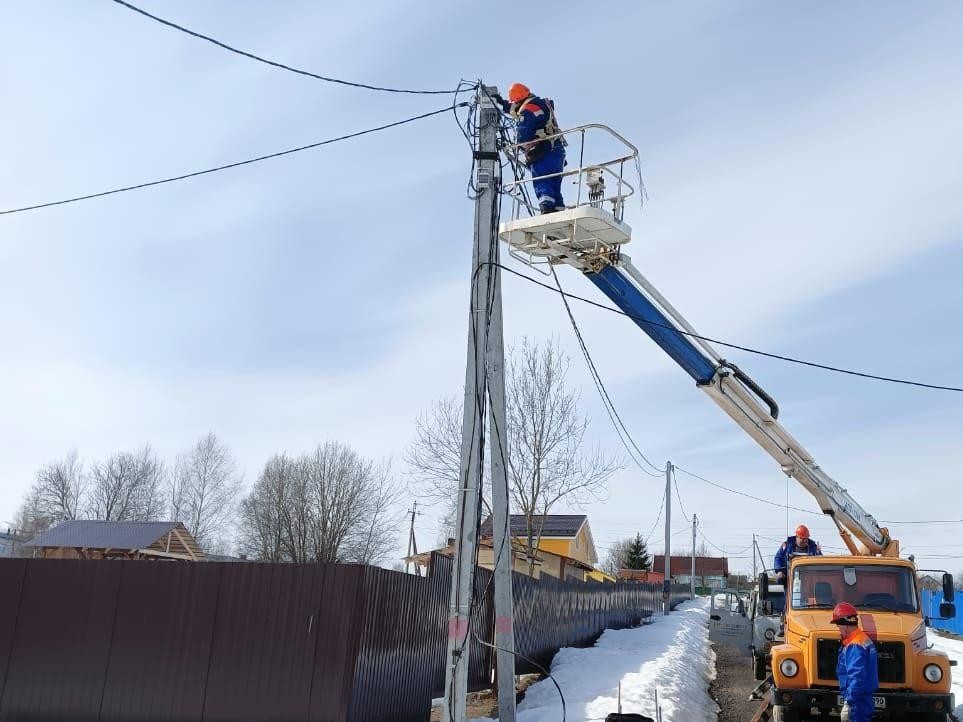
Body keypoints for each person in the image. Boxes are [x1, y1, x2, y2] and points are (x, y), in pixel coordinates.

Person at [493, 83, 567, 214]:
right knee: (555, 183)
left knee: (541, 180)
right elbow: (515, 108)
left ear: (518, 100)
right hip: (557, 151)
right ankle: (559, 209)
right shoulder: (540, 104)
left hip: (543, 152)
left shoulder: (527, 110)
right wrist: (501, 102)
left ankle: (547, 209)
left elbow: (523, 134)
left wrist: (518, 147)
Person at [831, 602, 879, 722]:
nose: (839, 630)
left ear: (846, 626)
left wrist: (849, 703)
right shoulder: (862, 639)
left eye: (839, 626)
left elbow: (857, 677)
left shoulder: (855, 645)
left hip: (857, 702)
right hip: (862, 699)